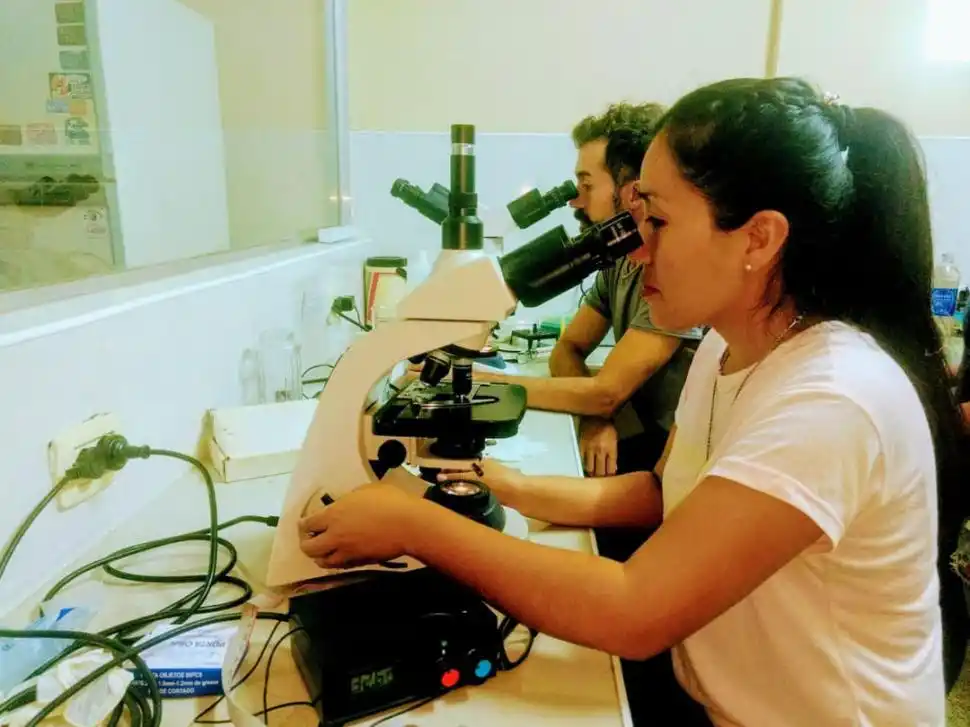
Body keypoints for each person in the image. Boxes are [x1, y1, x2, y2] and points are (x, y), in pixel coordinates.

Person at [299, 77, 969, 725]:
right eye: (634, 213)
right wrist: (515, 487)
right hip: (707, 686)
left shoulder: (834, 396)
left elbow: (632, 612)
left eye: (657, 218)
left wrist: (416, 524)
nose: (633, 243)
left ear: (758, 239)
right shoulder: (726, 345)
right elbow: (663, 492)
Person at [477, 102, 701, 479]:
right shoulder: (618, 263)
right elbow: (569, 347)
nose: (574, 200)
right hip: (638, 434)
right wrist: (595, 418)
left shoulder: (673, 273)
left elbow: (605, 393)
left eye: (586, 184)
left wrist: (489, 384)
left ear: (633, 190)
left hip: (667, 457)